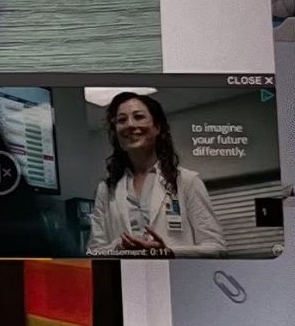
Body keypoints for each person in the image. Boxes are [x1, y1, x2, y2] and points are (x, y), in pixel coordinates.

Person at [86, 92, 226, 258]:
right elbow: (94, 252)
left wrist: (167, 252)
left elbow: (216, 247)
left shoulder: (187, 181)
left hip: (176, 273)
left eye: (138, 117)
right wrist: (118, 248)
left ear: (157, 127)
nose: (130, 124)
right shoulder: (106, 189)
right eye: (121, 120)